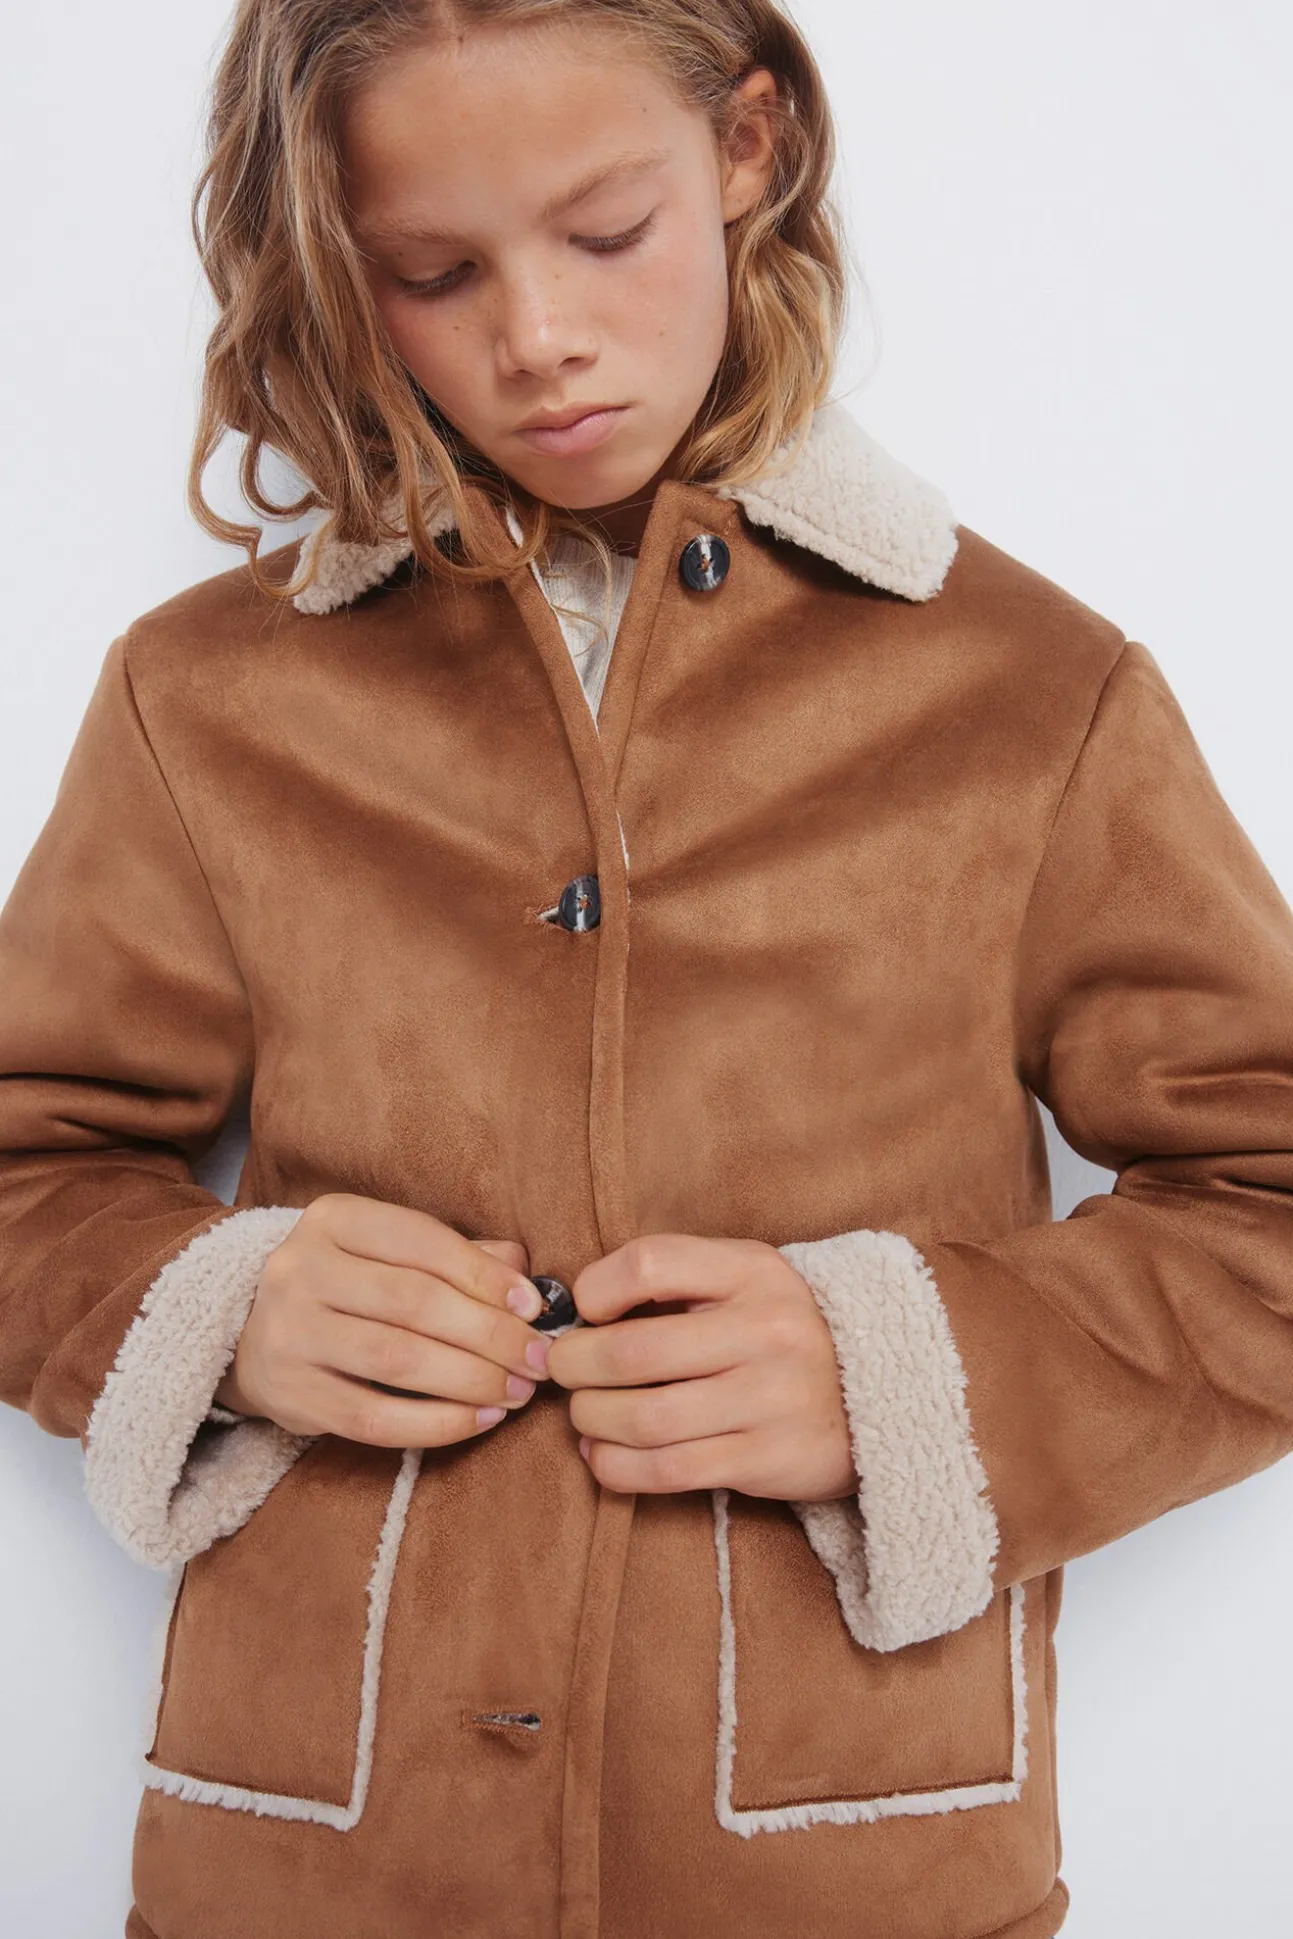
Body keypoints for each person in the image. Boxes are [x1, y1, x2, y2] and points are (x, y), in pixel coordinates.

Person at [2, 2, 1292, 1936]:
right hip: (312, 1867)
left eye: (608, 232)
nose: (537, 335)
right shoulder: (208, 701)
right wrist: (220, 1312)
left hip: (852, 1867)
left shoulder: (1032, 697)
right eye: (432, 271)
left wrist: (901, 1376)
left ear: (749, 147)